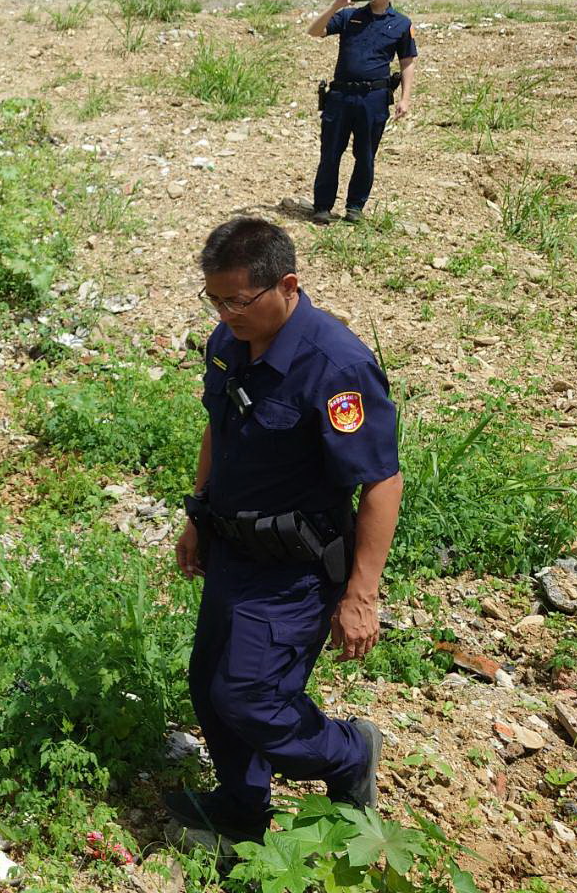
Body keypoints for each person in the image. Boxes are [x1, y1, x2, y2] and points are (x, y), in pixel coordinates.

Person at [168, 218, 403, 843]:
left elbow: (381, 482)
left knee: (252, 697)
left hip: (295, 567)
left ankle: (348, 753)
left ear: (287, 285)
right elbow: (220, 427)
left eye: (238, 300)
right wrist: (197, 512)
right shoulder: (230, 340)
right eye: (214, 300)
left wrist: (361, 595)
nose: (225, 314)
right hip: (231, 548)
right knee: (210, 685)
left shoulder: (336, 366)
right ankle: (242, 809)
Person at [306, 0, 418, 225]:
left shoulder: (401, 24)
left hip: (373, 98)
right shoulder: (349, 16)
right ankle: (322, 206)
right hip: (340, 96)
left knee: (365, 156)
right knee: (330, 153)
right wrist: (336, 6)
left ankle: (355, 207)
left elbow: (407, 61)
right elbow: (314, 31)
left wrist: (405, 98)